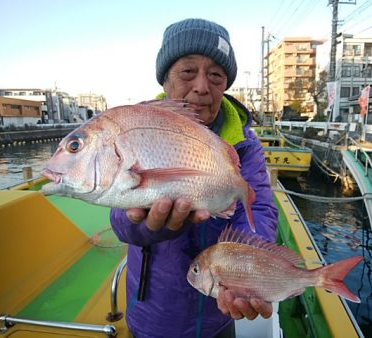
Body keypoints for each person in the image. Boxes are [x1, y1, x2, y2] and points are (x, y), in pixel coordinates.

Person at [110, 18, 278, 338]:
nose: (202, 86)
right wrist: (145, 225)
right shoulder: (138, 128)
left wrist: (250, 270)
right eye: (188, 72)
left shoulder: (245, 146)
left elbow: (259, 209)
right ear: (165, 81)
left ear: (225, 84)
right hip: (155, 317)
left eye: (215, 75)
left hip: (219, 314)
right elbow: (120, 218)